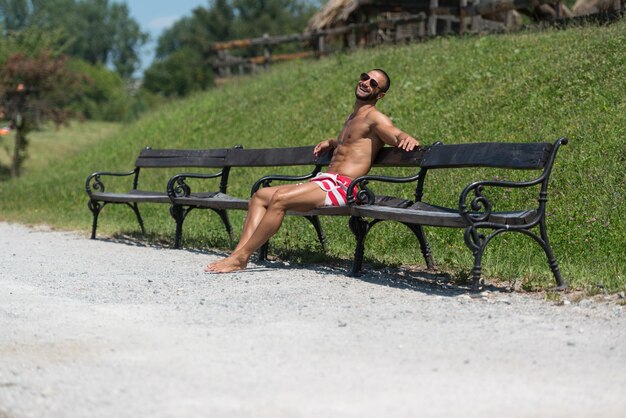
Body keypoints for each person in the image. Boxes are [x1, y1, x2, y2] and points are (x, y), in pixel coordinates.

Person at [205, 69, 420, 273]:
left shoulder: (375, 118)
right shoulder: (353, 117)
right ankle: (237, 255)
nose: (365, 83)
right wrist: (331, 141)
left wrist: (404, 138)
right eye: (365, 77)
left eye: (373, 83)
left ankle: (241, 258)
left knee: (279, 199)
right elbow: (353, 142)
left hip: (345, 186)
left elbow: (394, 133)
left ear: (380, 94)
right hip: (326, 181)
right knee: (260, 196)